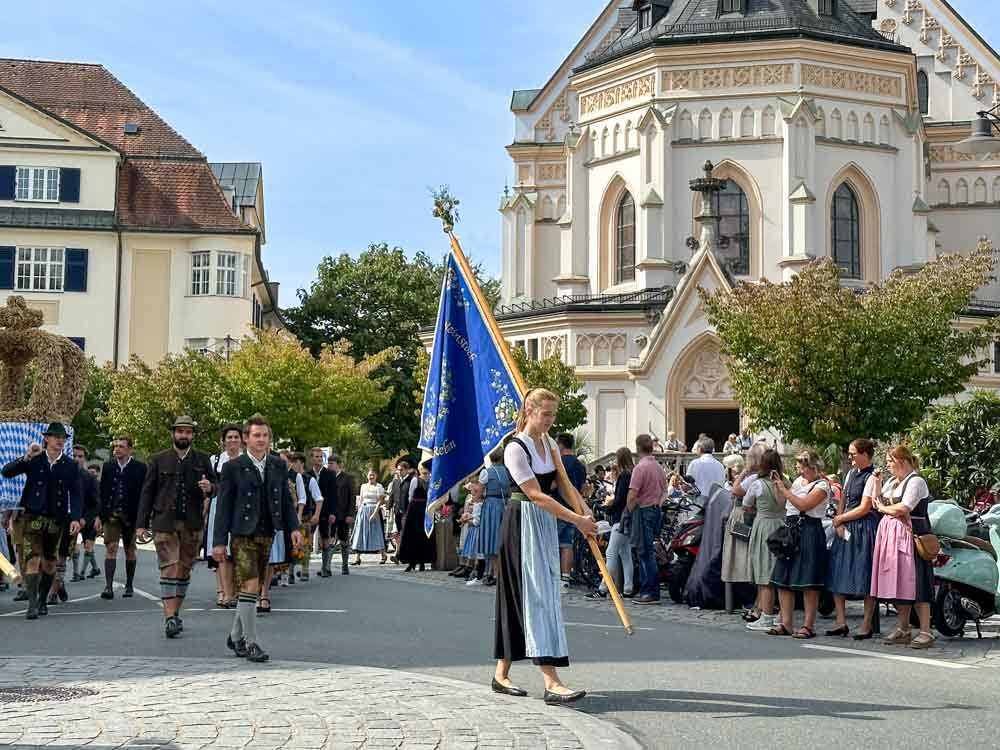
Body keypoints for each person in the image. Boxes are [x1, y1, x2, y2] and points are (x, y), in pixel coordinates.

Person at [493, 388, 598, 704]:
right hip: (521, 521)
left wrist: (584, 510)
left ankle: (501, 674)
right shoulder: (515, 448)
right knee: (532, 597)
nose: (551, 420)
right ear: (530, 410)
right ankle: (551, 681)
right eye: (546, 414)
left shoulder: (549, 443)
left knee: (536, 595)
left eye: (554, 414)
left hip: (542, 523)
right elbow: (535, 493)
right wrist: (577, 521)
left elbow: (564, 483)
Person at [213, 415, 301, 663]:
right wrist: (219, 541)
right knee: (251, 586)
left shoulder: (277, 465)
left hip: (267, 532)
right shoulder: (232, 467)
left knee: (254, 587)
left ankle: (235, 636)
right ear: (246, 438)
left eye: (265, 436)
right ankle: (251, 643)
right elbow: (223, 507)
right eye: (256, 435)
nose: (261, 440)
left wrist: (294, 527)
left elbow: (285, 499)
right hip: (241, 534)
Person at [136, 416, 216, 639]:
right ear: (173, 433)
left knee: (183, 569)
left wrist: (210, 487)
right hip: (164, 523)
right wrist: (141, 525)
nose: (184, 435)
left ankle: (175, 611)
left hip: (192, 523)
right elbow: (147, 492)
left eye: (188, 432)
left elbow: (217, 486)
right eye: (180, 431)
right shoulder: (158, 459)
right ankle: (169, 617)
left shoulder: (202, 459)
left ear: (192, 435)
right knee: (169, 567)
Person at [2, 423, 82, 619]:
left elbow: (77, 493)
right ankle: (32, 605)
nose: (60, 440)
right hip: (32, 516)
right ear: (46, 439)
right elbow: (6, 471)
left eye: (62, 437)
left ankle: (42, 599)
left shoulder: (70, 465)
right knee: (32, 559)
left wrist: (76, 518)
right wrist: (26, 456)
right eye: (55, 436)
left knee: (49, 563)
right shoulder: (35, 459)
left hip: (56, 519)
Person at [870, 445, 935, 649]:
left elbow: (904, 508)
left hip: (913, 536)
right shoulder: (892, 482)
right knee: (899, 582)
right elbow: (877, 502)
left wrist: (883, 508)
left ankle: (925, 631)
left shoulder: (916, 482)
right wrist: (877, 484)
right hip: (893, 536)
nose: (887, 464)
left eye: (890, 460)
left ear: (902, 461)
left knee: (917, 581)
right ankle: (903, 628)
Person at [767, 449, 831, 639]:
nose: (799, 470)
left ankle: (808, 625)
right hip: (791, 527)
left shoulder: (822, 486)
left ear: (813, 467)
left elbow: (804, 505)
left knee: (807, 580)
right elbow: (786, 504)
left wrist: (784, 490)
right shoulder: (797, 482)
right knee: (783, 577)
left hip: (809, 529)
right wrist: (778, 488)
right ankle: (785, 623)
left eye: (802, 467)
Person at [827, 438, 882, 639]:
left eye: (853, 453)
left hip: (864, 528)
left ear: (865, 454)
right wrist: (839, 522)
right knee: (837, 572)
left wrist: (840, 518)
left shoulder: (872, 477)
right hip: (846, 527)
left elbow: (865, 507)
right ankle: (841, 622)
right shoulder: (851, 473)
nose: (850, 457)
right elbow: (843, 499)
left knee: (865, 574)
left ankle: (866, 624)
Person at [743, 449, 788, 632]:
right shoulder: (785, 482)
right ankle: (782, 614)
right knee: (779, 571)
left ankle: (766, 615)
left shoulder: (758, 484)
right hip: (782, 525)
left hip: (764, 525)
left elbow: (746, 503)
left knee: (764, 572)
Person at [98, 436, 147, 600]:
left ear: (129, 449)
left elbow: (144, 495)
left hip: (131, 516)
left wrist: (143, 519)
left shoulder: (140, 468)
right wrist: (100, 515)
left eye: (121, 446)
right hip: (111, 514)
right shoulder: (108, 466)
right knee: (111, 547)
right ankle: (108, 586)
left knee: (130, 549)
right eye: (115, 446)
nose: (117, 449)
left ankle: (129, 584)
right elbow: (102, 492)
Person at [49, 445, 99, 603]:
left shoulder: (89, 478)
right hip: (53, 520)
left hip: (74, 523)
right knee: (49, 556)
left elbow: (95, 504)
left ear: (85, 459)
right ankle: (59, 583)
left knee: (62, 556)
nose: (77, 459)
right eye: (74, 456)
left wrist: (84, 519)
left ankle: (53, 593)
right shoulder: (59, 472)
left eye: (80, 456)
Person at [587, 446, 634, 600]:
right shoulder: (631, 473)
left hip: (620, 518)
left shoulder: (624, 476)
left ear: (620, 459)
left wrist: (608, 508)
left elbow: (620, 499)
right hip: (628, 517)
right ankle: (628, 588)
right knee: (625, 554)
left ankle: (603, 588)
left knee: (611, 553)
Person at [206, 424, 243, 608]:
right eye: (229, 437)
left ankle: (235, 591)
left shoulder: (247, 459)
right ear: (223, 441)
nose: (233, 440)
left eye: (236, 437)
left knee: (237, 552)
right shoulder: (215, 460)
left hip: (241, 508)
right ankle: (223, 592)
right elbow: (211, 488)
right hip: (219, 507)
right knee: (221, 552)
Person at [627, 434, 667, 605]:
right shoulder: (658, 467)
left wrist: (629, 510)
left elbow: (632, 494)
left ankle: (649, 591)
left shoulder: (640, 468)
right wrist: (657, 504)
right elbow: (665, 491)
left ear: (637, 448)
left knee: (644, 552)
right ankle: (649, 589)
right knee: (648, 551)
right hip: (655, 510)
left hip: (643, 510)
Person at [554, 433, 587, 590]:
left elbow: (555, 485)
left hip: (558, 507)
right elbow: (581, 488)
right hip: (575, 508)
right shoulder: (580, 465)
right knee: (567, 543)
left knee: (553, 543)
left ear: (560, 444)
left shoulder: (559, 463)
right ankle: (565, 577)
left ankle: (553, 575)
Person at [721, 450, 755, 598]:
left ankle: (746, 595)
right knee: (737, 555)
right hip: (738, 515)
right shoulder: (747, 478)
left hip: (741, 517)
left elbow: (735, 492)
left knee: (741, 555)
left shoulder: (746, 479)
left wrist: (741, 475)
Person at [476, 445, 511, 587]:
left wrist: (482, 496)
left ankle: (494, 573)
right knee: (501, 539)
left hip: (491, 506)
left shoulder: (486, 472)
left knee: (491, 539)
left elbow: (478, 494)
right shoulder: (508, 472)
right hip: (505, 505)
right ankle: (495, 572)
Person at [396, 460, 437, 572]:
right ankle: (412, 562)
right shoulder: (415, 480)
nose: (425, 472)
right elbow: (410, 496)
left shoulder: (432, 481)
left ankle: (422, 562)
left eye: (426, 470)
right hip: (415, 510)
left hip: (426, 510)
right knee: (413, 537)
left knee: (424, 537)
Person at [292, 452, 323, 580]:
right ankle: (289, 572)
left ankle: (304, 570)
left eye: (294, 462)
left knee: (304, 544)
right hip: (289, 517)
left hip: (305, 516)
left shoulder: (309, 479)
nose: (292, 465)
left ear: (301, 463)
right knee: (290, 544)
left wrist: (316, 514)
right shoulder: (287, 477)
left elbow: (319, 498)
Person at [325, 455, 355, 576]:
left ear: (338, 464)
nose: (329, 465)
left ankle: (345, 565)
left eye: (332, 463)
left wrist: (350, 514)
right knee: (330, 540)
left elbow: (352, 498)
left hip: (343, 514)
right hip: (331, 515)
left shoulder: (347, 478)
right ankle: (327, 566)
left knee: (344, 541)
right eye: (328, 463)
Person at [351, 469, 387, 565]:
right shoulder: (363, 486)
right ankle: (357, 558)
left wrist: (375, 513)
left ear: (376, 476)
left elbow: (380, 501)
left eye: (373, 475)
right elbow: (361, 499)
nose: (371, 477)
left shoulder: (379, 486)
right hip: (363, 510)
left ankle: (383, 555)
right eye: (370, 475)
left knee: (376, 532)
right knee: (360, 532)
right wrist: (359, 511)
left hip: (373, 509)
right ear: (367, 476)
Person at [306, 448, 329, 576]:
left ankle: (325, 568)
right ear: (311, 459)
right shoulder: (307, 475)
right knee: (308, 539)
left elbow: (332, 496)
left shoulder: (329, 474)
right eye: (316, 457)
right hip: (311, 511)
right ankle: (306, 569)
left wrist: (332, 513)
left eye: (321, 457)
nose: (319, 459)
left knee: (325, 538)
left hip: (325, 511)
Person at [389, 458, 416, 561]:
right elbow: (393, 495)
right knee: (398, 533)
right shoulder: (395, 481)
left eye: (401, 470)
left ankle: (401, 555)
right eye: (398, 470)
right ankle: (398, 553)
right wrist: (389, 506)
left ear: (407, 470)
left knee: (406, 533)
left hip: (407, 511)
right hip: (397, 511)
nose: (399, 472)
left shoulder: (411, 481)